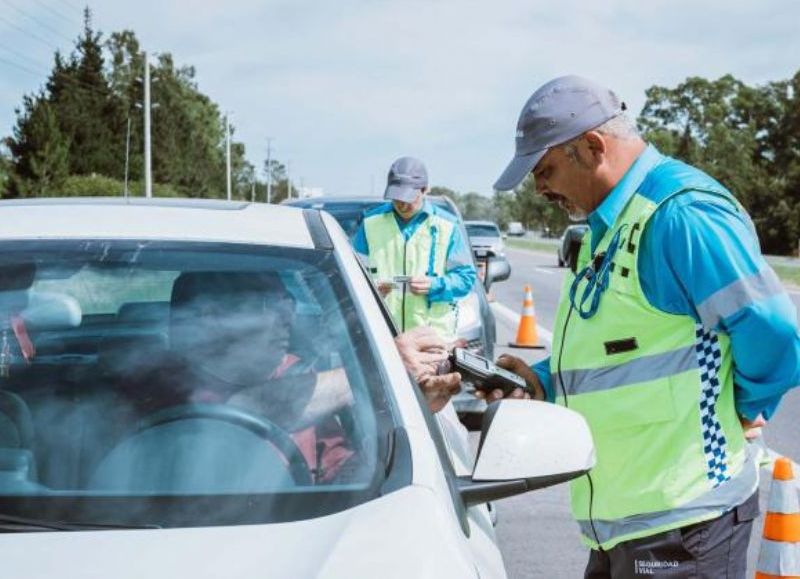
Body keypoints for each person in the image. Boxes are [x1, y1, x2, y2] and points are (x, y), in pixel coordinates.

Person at [488, 75, 800, 578]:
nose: (539, 188)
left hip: (686, 523)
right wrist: (541, 379)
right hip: (624, 522)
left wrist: (740, 408)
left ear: (591, 148)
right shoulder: (608, 225)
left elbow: (774, 331)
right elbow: (629, 349)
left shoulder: (682, 215)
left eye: (544, 170)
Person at [353, 156, 477, 341]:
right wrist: (371, 287)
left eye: (408, 198)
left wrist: (434, 285)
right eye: (397, 198)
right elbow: (353, 274)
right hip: (383, 337)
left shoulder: (448, 226)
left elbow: (465, 279)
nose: (402, 205)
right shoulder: (370, 223)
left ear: (425, 189)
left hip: (433, 339)